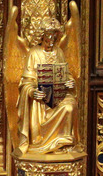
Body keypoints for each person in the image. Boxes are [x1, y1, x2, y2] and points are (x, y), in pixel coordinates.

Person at [17, 18, 77, 154]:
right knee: (41, 101)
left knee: (70, 106)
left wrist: (70, 82)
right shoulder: (33, 53)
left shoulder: (59, 52)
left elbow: (66, 74)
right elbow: (26, 82)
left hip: (58, 96)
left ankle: (63, 142)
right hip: (41, 100)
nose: (51, 39)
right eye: (48, 35)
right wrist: (32, 92)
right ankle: (39, 142)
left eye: (54, 35)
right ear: (42, 35)